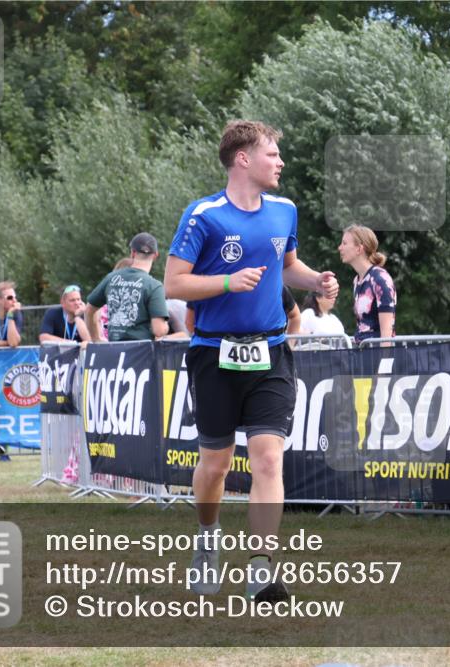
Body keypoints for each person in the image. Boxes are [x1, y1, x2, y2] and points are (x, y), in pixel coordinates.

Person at [163, 119, 339, 603]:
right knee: (215, 466)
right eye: (272, 153)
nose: (280, 162)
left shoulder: (284, 211)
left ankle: (262, 568)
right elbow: (173, 284)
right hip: (213, 353)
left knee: (267, 459)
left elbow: (287, 267)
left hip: (271, 350)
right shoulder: (204, 216)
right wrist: (225, 281)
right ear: (243, 158)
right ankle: (207, 539)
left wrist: (317, 282)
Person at [86, 234, 169, 342]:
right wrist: (165, 325)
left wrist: (95, 338)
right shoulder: (154, 286)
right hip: (141, 353)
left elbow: (89, 310)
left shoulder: (111, 278)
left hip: (114, 350)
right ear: (155, 255)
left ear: (133, 253)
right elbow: (159, 330)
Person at [338, 224, 396, 344]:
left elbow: (387, 333)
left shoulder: (380, 279)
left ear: (359, 249)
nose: (339, 248)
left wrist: (384, 360)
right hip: (363, 354)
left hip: (377, 354)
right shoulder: (357, 280)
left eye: (344, 243)